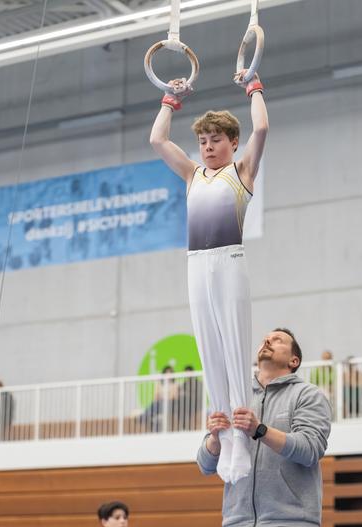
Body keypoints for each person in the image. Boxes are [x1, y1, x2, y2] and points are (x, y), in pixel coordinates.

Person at [150, 70, 268, 485]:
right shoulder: (191, 175)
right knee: (208, 345)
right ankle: (225, 434)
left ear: (232, 143)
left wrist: (253, 86)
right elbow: (158, 141)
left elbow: (263, 126)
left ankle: (242, 429)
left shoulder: (243, 172)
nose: (207, 147)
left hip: (229, 259)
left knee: (234, 344)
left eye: (215, 140)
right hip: (196, 264)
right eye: (202, 141)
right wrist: (169, 99)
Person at [197, 328, 332, 527]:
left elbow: (310, 448)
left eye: (279, 339)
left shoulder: (307, 395)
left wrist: (259, 429)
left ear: (294, 360)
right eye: (266, 337)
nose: (268, 340)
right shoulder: (235, 398)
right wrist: (215, 439)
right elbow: (205, 465)